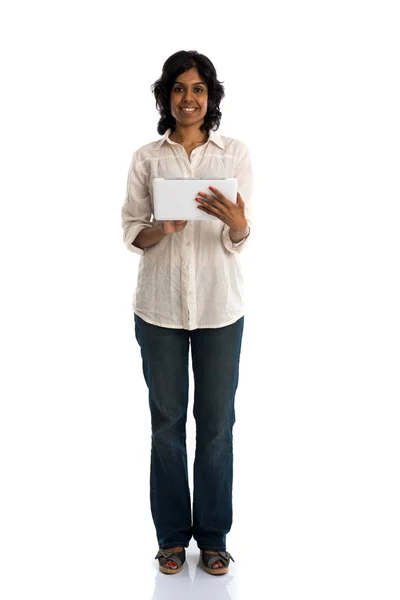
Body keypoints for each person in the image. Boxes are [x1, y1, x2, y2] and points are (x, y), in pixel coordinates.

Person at [121, 50, 253, 576]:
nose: (189, 98)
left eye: (198, 89)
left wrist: (238, 221)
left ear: (211, 97)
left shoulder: (235, 154)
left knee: (218, 426)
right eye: (179, 89)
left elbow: (238, 239)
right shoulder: (146, 158)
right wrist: (164, 228)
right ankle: (173, 539)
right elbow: (133, 231)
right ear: (166, 97)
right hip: (159, 310)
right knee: (167, 424)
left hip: (220, 307)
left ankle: (215, 538)